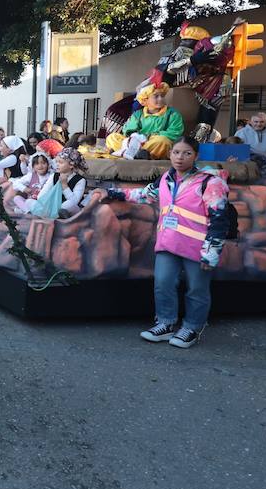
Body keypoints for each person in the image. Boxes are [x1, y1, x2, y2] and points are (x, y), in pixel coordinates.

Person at [92, 136, 232, 348]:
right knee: (163, 283)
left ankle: (192, 328)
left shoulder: (210, 183)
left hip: (197, 247)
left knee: (197, 289)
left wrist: (211, 252)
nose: (180, 157)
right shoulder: (166, 178)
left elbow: (220, 219)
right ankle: (165, 323)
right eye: (176, 152)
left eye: (187, 153)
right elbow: (145, 195)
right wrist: (111, 192)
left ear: (196, 156)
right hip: (169, 243)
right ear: (169, 154)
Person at [105, 83, 185, 159]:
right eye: (156, 96)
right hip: (136, 143)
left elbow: (175, 132)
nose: (160, 99)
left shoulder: (172, 114)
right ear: (145, 100)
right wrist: (135, 138)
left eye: (162, 96)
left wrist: (149, 137)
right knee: (112, 137)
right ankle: (138, 153)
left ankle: (128, 152)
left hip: (153, 143)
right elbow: (128, 130)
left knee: (163, 142)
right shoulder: (138, 114)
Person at [29, 148, 89, 218]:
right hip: (52, 205)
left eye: (60, 162)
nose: (57, 164)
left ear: (71, 165)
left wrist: (64, 185)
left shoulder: (80, 180)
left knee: (68, 205)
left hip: (70, 209)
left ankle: (62, 216)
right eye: (57, 162)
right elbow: (41, 196)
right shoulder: (54, 176)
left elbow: (74, 201)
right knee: (30, 202)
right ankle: (52, 214)